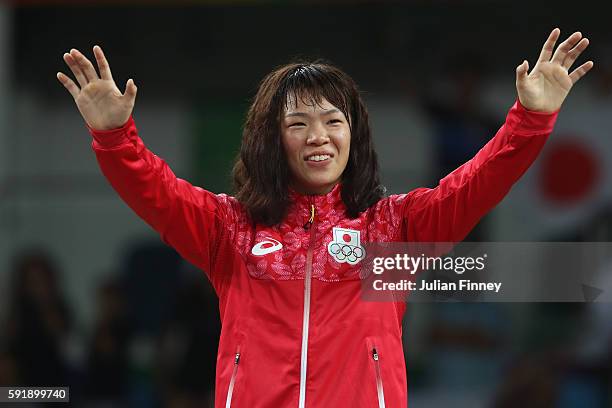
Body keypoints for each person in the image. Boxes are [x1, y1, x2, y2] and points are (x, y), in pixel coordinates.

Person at [56, 28, 592, 407]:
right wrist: (113, 136)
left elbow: (478, 183)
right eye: (299, 123)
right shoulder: (230, 231)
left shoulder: (394, 232)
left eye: (333, 120)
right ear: (273, 139)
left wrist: (531, 119)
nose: (319, 137)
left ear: (352, 134)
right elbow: (155, 191)